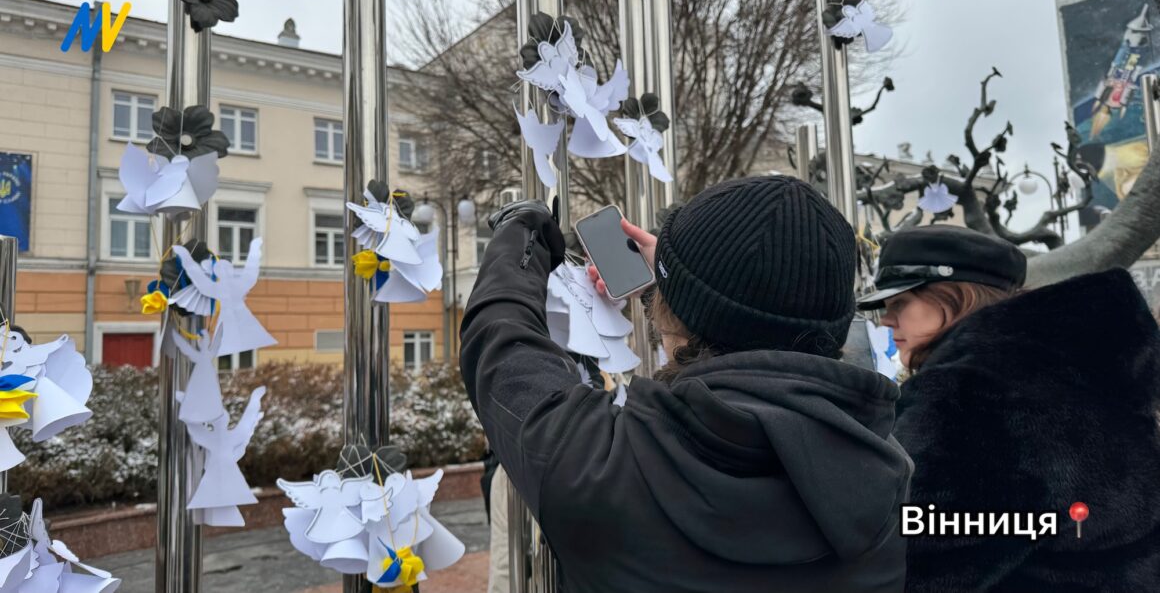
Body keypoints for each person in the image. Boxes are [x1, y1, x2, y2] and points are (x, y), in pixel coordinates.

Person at [460, 175, 913, 593]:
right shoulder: (888, 471)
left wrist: (522, 233)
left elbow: (500, 341)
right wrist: (692, 284)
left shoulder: (601, 466)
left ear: (674, 315)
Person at [858, 225, 1160, 592]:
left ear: (952, 296)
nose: (887, 321)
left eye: (899, 304)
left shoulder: (967, 395)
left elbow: (922, 562)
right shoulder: (1086, 372)